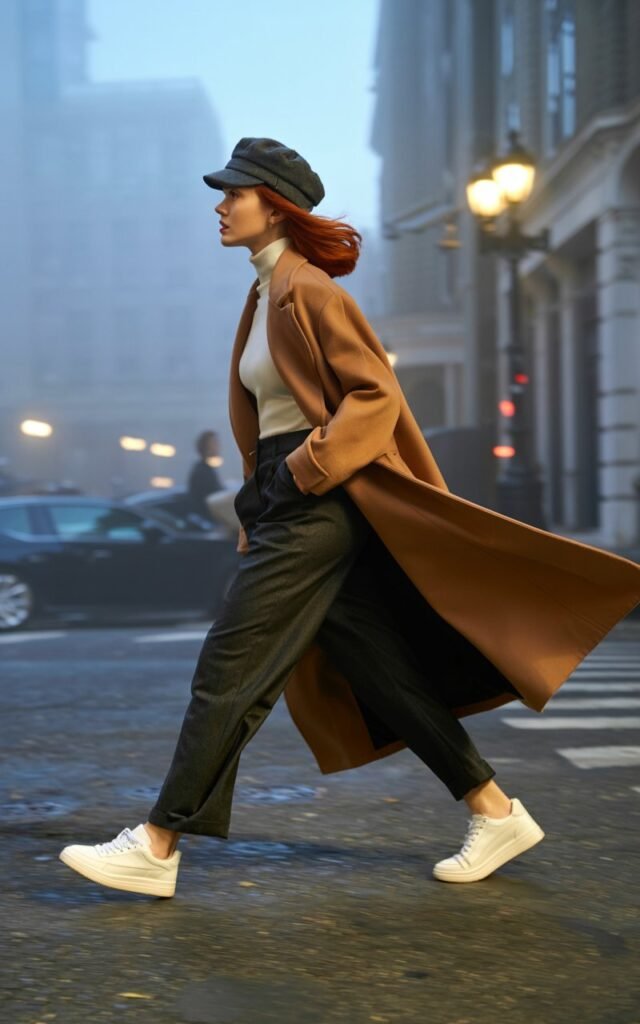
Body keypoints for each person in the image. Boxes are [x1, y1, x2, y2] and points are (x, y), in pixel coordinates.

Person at [59, 136, 560, 897]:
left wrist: (301, 472)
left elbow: (374, 397)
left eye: (235, 193)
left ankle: (157, 844)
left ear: (275, 205)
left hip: (318, 497)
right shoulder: (263, 292)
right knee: (378, 670)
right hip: (288, 496)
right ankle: (495, 811)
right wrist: (256, 499)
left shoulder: (312, 292)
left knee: (229, 668)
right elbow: (270, 416)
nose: (221, 206)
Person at [186, 429, 225, 524]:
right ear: (205, 446)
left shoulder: (207, 469)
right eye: (214, 443)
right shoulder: (202, 471)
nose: (218, 446)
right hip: (207, 521)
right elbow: (209, 499)